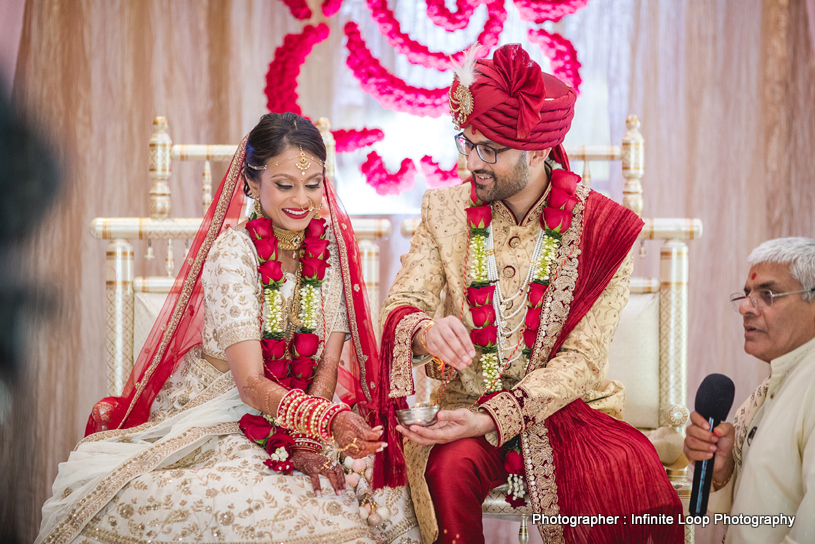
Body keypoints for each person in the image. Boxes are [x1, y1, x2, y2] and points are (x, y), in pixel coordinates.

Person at [36, 113, 420, 544]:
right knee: (257, 506)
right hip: (224, 407)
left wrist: (313, 437)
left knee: (391, 494)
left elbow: (327, 362)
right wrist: (325, 421)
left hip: (312, 408)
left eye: (313, 184)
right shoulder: (232, 252)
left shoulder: (331, 247)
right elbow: (251, 385)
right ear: (253, 183)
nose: (302, 198)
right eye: (284, 184)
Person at [372, 44, 683, 544]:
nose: (473, 162)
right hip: (463, 405)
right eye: (466, 143)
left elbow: (582, 358)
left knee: (620, 469)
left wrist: (494, 415)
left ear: (538, 150)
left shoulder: (605, 229)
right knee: (446, 472)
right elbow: (401, 304)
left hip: (569, 412)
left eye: (490, 149)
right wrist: (425, 331)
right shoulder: (444, 211)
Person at [684, 237, 815, 544]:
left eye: (767, 294)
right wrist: (724, 471)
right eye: (746, 295)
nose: (745, 307)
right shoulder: (778, 382)